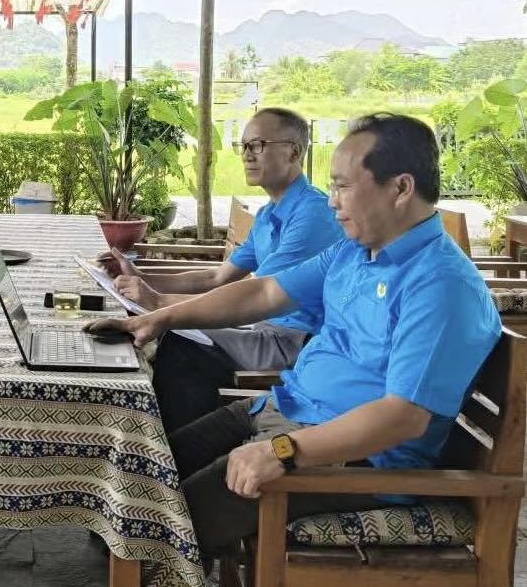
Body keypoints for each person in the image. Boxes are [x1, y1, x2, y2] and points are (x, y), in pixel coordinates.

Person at [86, 113, 501, 559]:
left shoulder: (440, 284)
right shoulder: (354, 251)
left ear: (400, 188)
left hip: (348, 460)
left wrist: (282, 452)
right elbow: (265, 291)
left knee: (154, 525)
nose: (332, 201)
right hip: (285, 410)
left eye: (343, 186)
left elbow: (404, 417)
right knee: (141, 474)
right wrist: (160, 318)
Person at [107, 108, 344, 430]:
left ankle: (164, 445)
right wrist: (144, 279)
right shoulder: (268, 214)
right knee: (166, 336)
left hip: (293, 342)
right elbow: (216, 276)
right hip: (259, 329)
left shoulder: (312, 215)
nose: (247, 155)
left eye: (258, 145)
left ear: (295, 151)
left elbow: (257, 298)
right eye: (243, 146)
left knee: (180, 343)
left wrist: (160, 305)